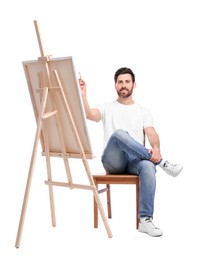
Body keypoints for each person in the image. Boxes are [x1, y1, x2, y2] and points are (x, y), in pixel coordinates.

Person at [79, 67, 183, 237]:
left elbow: (151, 133)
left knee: (149, 167)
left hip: (136, 160)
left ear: (134, 85)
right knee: (119, 135)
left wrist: (156, 148)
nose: (123, 85)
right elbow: (90, 115)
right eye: (120, 82)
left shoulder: (143, 111)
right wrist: (83, 94)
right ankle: (162, 163)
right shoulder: (106, 107)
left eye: (127, 81)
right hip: (113, 161)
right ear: (115, 86)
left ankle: (145, 220)